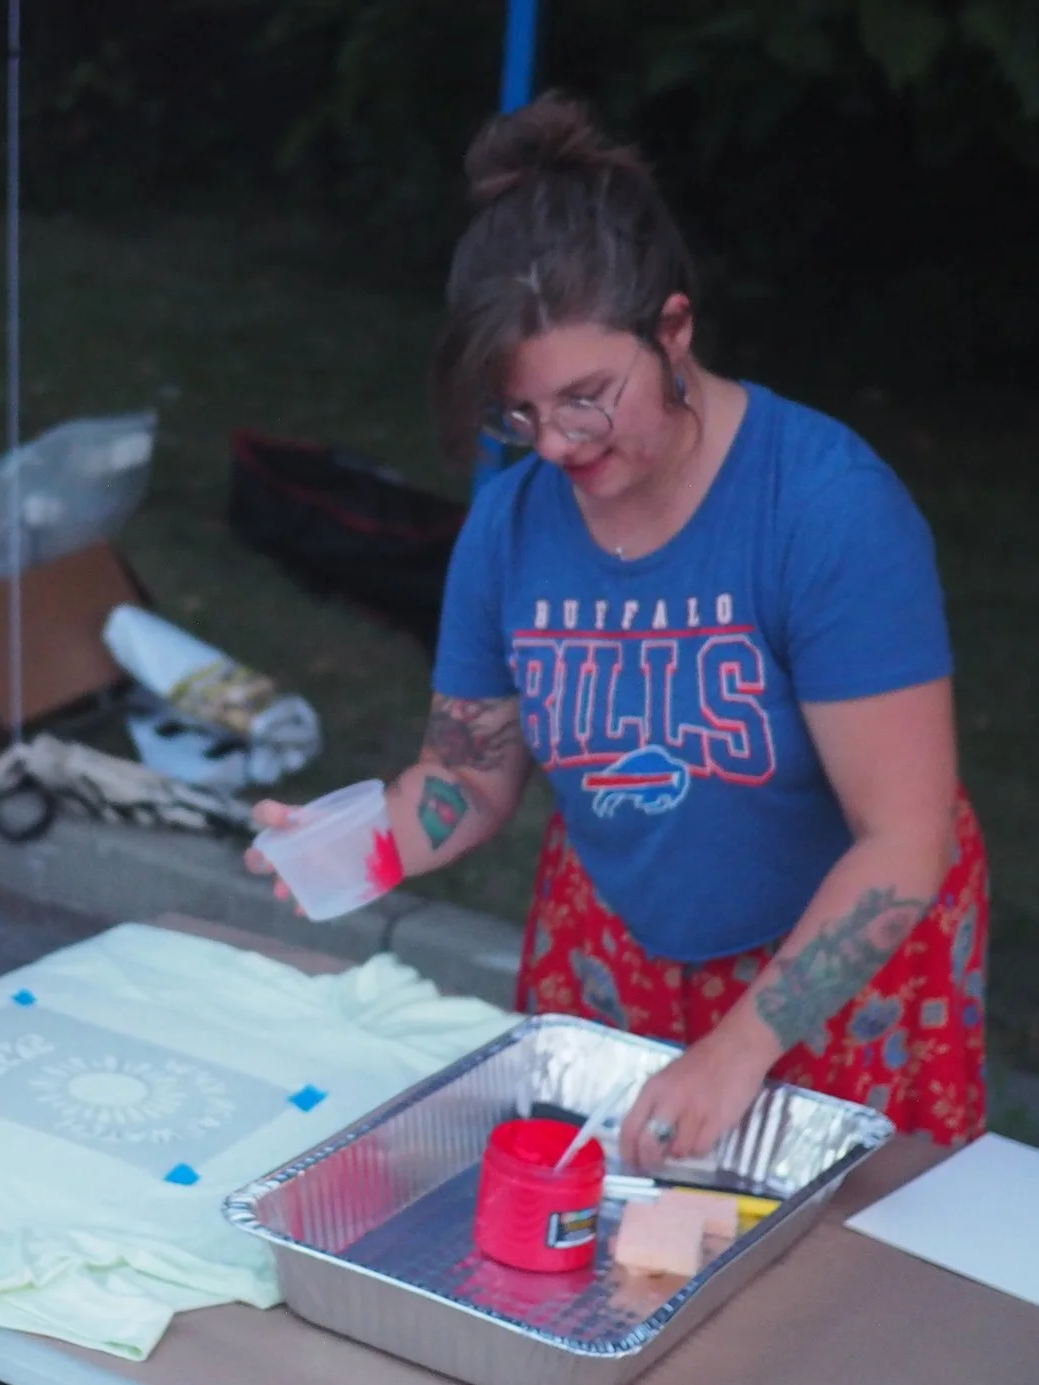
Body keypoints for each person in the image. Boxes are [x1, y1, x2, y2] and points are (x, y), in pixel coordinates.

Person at [250, 92, 989, 1166]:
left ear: (674, 329)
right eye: (518, 414)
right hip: (619, 935)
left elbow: (902, 840)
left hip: (839, 956)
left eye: (587, 398)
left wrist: (737, 1050)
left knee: (835, 1290)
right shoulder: (509, 528)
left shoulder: (826, 509)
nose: (552, 445)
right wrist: (354, 842)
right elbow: (471, 779)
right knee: (602, 1247)